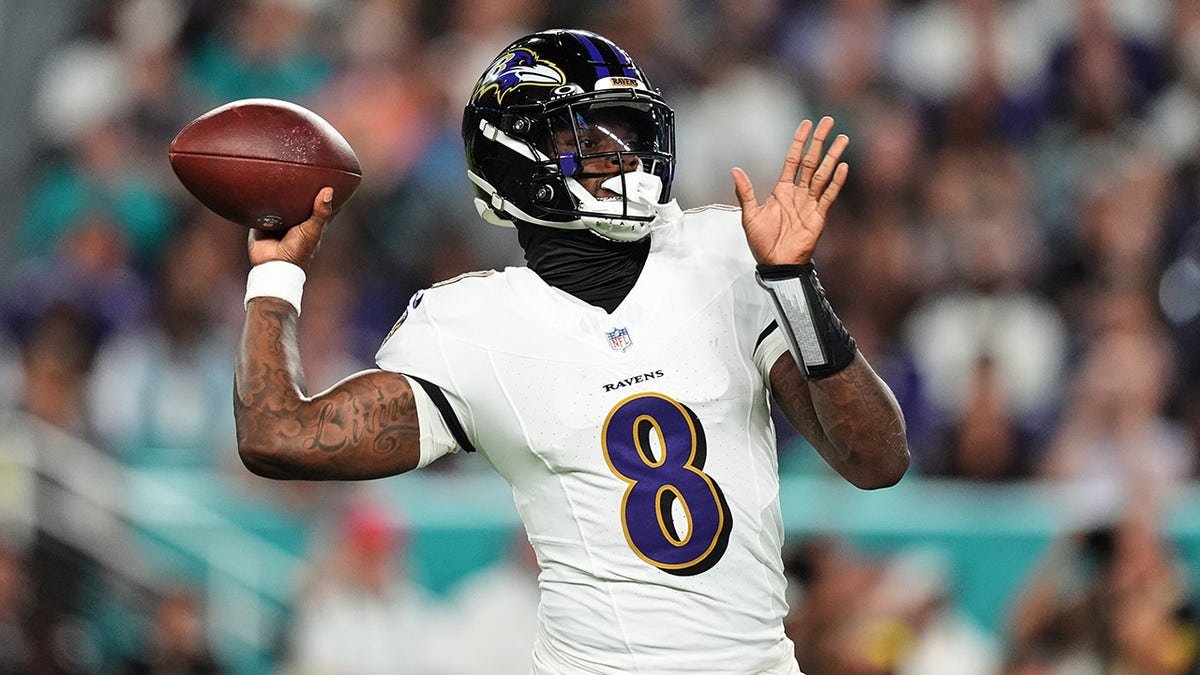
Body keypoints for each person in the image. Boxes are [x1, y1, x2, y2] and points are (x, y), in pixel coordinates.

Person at [232, 29, 909, 675]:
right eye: (586, 136)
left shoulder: (728, 254)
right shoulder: (472, 325)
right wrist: (276, 275)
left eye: (630, 131)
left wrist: (794, 282)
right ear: (512, 155)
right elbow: (278, 436)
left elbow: (877, 460)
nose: (623, 154)